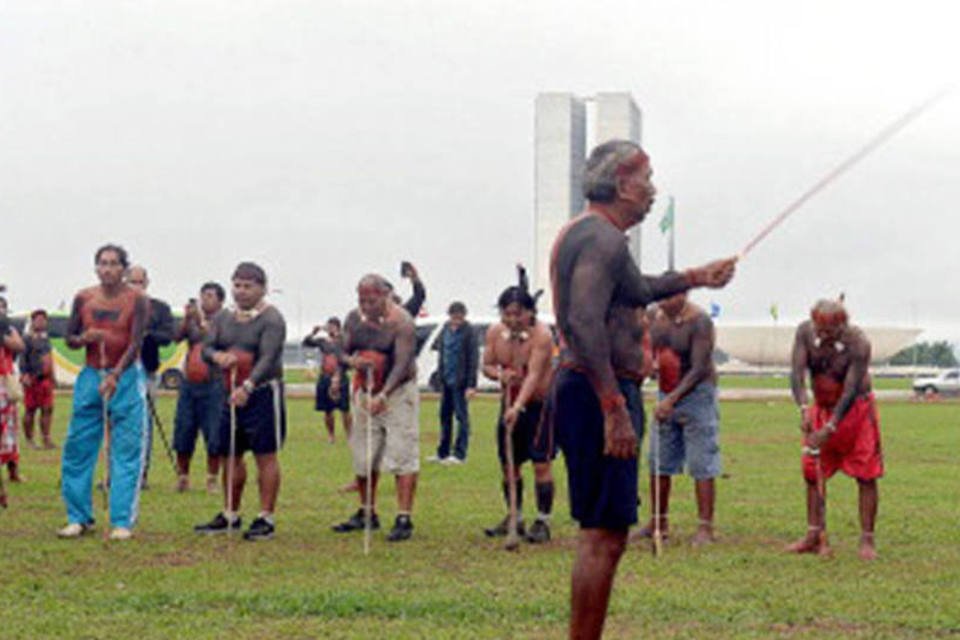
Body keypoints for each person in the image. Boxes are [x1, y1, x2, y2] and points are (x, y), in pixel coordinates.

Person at [548, 139, 736, 639]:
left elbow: (636, 288)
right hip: (596, 391)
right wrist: (613, 405)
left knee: (606, 532)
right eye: (647, 179)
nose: (653, 191)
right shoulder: (602, 240)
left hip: (592, 389)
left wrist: (697, 276)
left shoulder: (598, 238)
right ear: (620, 184)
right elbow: (584, 322)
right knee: (603, 535)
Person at [58, 244, 149, 540]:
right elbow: (69, 339)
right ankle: (78, 516)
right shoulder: (83, 297)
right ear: (96, 267)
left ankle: (122, 519)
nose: (108, 269)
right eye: (102, 263)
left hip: (125, 376)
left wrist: (116, 375)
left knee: (125, 448)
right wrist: (84, 337)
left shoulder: (137, 300)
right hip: (90, 375)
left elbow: (136, 343)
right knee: (78, 445)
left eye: (114, 263)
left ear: (124, 267)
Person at [193, 262, 286, 541]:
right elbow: (207, 347)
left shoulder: (272, 319)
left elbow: (268, 358)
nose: (242, 292)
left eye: (248, 286)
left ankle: (265, 517)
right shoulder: (223, 317)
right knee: (230, 453)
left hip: (262, 395)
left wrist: (248, 385)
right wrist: (218, 357)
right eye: (237, 285)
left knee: (265, 454)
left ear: (262, 288)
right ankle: (230, 513)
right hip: (228, 392)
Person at [788, 299, 882, 560]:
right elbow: (796, 373)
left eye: (829, 333)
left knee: (866, 475)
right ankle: (813, 534)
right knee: (811, 471)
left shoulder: (858, 343)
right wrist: (804, 408)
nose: (822, 337)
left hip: (856, 413)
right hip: (821, 408)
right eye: (820, 331)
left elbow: (851, 389)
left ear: (843, 326)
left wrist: (830, 427)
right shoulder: (805, 332)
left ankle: (867, 540)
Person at [332, 274, 420, 542]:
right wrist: (344, 369)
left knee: (401, 454)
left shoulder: (402, 322)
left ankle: (404, 516)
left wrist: (383, 395)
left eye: (371, 300)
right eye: (362, 300)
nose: (366, 306)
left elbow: (402, 363)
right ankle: (366, 511)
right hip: (363, 392)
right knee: (363, 454)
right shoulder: (353, 319)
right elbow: (341, 351)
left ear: (385, 296)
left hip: (397, 393)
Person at [640, 289, 721, 546]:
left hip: (696, 395)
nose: (665, 303)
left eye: (671, 297)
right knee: (658, 460)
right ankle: (657, 521)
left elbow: (698, 368)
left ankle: (705, 528)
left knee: (702, 462)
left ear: (684, 295)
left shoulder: (700, 321)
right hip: (666, 392)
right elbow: (644, 347)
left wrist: (672, 399)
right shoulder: (654, 316)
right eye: (661, 297)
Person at [481, 268, 557, 543]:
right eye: (506, 313)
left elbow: (534, 375)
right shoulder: (494, 332)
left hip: (538, 405)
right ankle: (515, 514)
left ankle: (543, 520)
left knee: (540, 463)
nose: (512, 319)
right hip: (509, 401)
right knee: (508, 464)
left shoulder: (542, 336)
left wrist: (519, 406)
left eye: (517, 313)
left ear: (530, 312)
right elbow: (487, 366)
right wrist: (501, 376)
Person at [172, 282, 225, 493]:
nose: (205, 300)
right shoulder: (192, 321)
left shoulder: (225, 320)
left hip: (214, 384)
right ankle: (183, 476)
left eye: (210, 296)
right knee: (184, 429)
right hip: (189, 384)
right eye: (203, 296)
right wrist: (187, 319)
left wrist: (202, 322)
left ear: (220, 300)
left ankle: (212, 478)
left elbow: (214, 339)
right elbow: (175, 338)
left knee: (214, 433)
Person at [125, 265, 175, 489]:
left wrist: (147, 333)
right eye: (132, 282)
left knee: (144, 423)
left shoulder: (160, 309)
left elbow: (168, 336)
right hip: (119, 371)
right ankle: (114, 474)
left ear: (147, 283)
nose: (136, 286)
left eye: (140, 282)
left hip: (146, 371)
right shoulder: (117, 306)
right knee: (116, 423)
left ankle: (141, 474)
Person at [428, 301, 478, 464]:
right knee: (444, 416)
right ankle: (442, 452)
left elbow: (473, 358)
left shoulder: (469, 332)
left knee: (461, 417)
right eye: (453, 317)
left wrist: (471, 384)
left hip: (461, 381)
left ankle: (460, 454)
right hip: (447, 380)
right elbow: (442, 354)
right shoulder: (445, 330)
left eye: (459, 317)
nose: (456, 320)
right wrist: (439, 377)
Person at [303, 317, 352, 444]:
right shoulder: (323, 342)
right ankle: (331, 435)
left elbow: (348, 349)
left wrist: (339, 336)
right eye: (329, 326)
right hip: (325, 376)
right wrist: (314, 332)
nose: (330, 329)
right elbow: (306, 343)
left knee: (344, 409)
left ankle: (349, 435)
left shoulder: (343, 341)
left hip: (340, 376)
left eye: (333, 326)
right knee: (327, 409)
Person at [21, 309, 57, 450]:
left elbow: (49, 358)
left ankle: (46, 439)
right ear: (33, 321)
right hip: (33, 379)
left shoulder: (45, 339)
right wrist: (25, 375)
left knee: (47, 409)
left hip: (46, 380)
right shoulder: (27, 339)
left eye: (43, 320)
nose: (41, 322)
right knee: (30, 409)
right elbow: (22, 359)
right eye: (38, 319)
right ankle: (30, 440)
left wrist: (53, 377)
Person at [0, 296, 26, 483]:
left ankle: (13, 471)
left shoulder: (9, 329)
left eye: (2, 307)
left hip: (5, 381)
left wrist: (2, 336)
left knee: (10, 428)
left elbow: (19, 346)